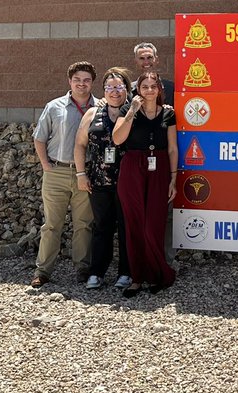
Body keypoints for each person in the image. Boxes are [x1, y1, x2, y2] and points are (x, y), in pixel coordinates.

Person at [31, 61, 100, 288]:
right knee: (52, 224)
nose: (82, 84)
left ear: (92, 82)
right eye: (77, 80)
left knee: (84, 224)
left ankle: (82, 269)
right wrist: (46, 166)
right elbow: (39, 138)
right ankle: (43, 271)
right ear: (70, 81)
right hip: (57, 172)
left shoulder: (100, 107)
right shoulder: (54, 107)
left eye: (86, 80)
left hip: (86, 174)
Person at [112, 71, 179, 296]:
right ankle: (136, 277)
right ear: (137, 90)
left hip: (159, 167)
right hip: (132, 167)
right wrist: (131, 110)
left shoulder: (168, 113)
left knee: (154, 225)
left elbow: (172, 148)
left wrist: (173, 179)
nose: (149, 90)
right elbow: (117, 138)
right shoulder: (127, 110)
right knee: (134, 224)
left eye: (153, 86)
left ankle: (158, 274)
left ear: (160, 89)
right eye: (144, 86)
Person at [75, 67, 135, 292]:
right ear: (104, 91)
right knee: (102, 227)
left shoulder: (131, 114)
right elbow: (80, 144)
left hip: (127, 183)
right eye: (109, 87)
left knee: (127, 227)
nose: (114, 92)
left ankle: (126, 272)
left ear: (127, 90)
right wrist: (81, 174)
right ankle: (97, 272)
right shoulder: (93, 114)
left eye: (119, 87)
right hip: (100, 182)